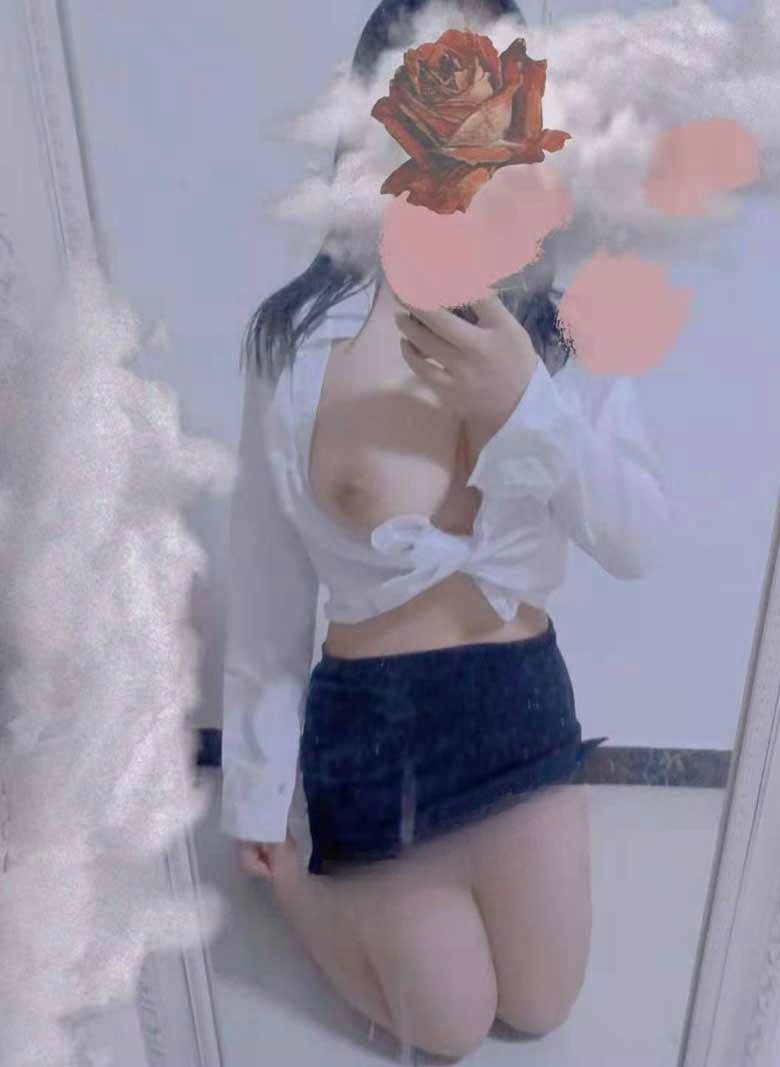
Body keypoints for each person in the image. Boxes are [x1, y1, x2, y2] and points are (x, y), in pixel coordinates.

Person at [220, 0, 672, 1059]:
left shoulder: (575, 322)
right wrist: (256, 790)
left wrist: (526, 406)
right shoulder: (295, 342)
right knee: (449, 1023)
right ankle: (303, 874)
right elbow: (267, 586)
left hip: (519, 699)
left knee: (542, 1003)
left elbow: (638, 537)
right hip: (375, 723)